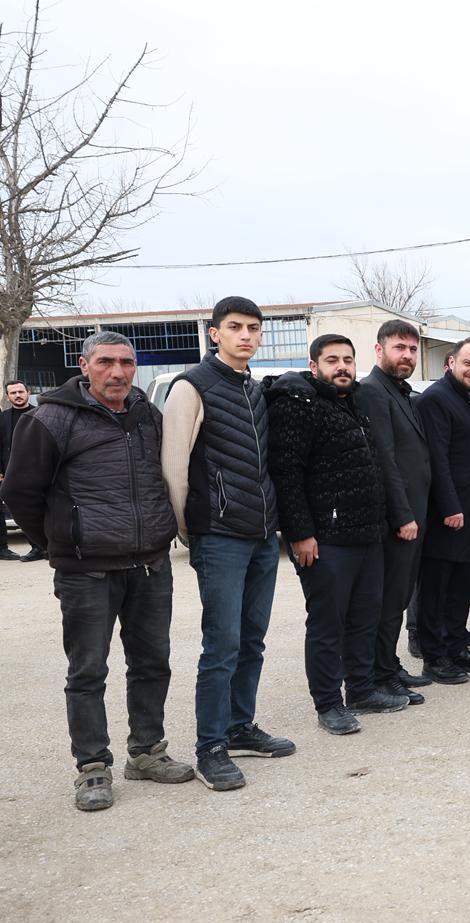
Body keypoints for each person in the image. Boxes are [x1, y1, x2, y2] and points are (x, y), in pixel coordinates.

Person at [2, 331, 189, 810]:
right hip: (86, 572)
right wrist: (60, 541)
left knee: (152, 664)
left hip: (149, 565)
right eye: (105, 362)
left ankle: (146, 752)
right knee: (87, 671)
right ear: (84, 366)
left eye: (126, 362)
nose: (117, 372)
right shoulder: (50, 419)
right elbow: (20, 492)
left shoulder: (148, 415)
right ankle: (92, 767)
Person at [161, 296, 297, 791]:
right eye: (235, 327)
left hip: (261, 534)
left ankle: (240, 727)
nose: (246, 335)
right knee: (221, 645)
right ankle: (211, 747)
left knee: (252, 639)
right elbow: (173, 467)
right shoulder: (191, 386)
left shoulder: (254, 388)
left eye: (254, 328)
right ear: (215, 333)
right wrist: (189, 529)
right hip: (218, 536)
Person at [267, 334, 405, 736]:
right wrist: (300, 534)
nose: (342, 366)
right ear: (314, 367)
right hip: (326, 540)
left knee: (364, 618)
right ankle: (328, 703)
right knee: (327, 625)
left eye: (348, 359)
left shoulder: (353, 403)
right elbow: (287, 474)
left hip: (367, 534)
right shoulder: (298, 405)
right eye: (332, 360)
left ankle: (361, 690)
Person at [357, 320, 433, 706]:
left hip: (414, 514)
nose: (406, 355)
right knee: (388, 601)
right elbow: (384, 459)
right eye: (399, 348)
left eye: (412, 349)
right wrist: (402, 515)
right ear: (379, 350)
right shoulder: (373, 391)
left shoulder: (401, 392)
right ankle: (381, 676)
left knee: (399, 598)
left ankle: (389, 664)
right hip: (397, 520)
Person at [415, 337, 470, 684]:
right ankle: (434, 657)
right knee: (437, 589)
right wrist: (449, 506)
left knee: (461, 586)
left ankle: (455, 645)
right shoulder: (436, 399)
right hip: (447, 514)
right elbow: (436, 458)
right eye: (468, 364)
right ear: (451, 362)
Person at [0, 379, 46, 560]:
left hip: (40, 471)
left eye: (20, 392)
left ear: (28, 392)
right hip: (11, 472)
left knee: (45, 509)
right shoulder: (3, 418)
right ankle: (35, 548)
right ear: (8, 396)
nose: (17, 395)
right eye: (13, 393)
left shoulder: (42, 414)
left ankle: (45, 547)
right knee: (21, 511)